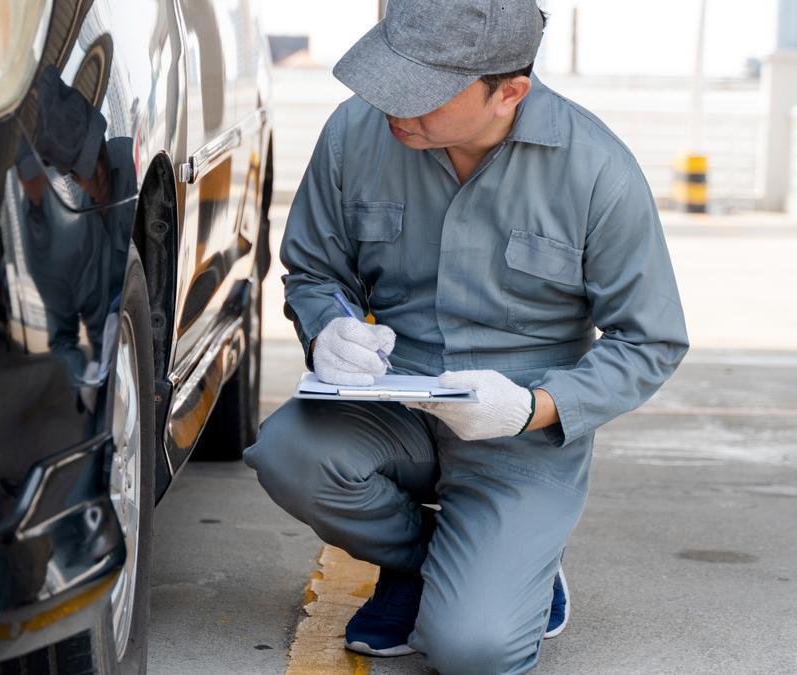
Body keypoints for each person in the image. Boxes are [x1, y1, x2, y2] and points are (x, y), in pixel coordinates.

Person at [242, 1, 689, 673]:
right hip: (392, 405)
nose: (393, 104)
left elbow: (651, 340)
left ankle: (510, 567)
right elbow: (314, 268)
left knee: (473, 649)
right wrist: (328, 321)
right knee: (288, 453)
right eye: (389, 76)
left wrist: (532, 406)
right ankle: (428, 563)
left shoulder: (598, 171)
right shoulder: (355, 135)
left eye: (422, 92)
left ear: (508, 93)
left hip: (519, 431)